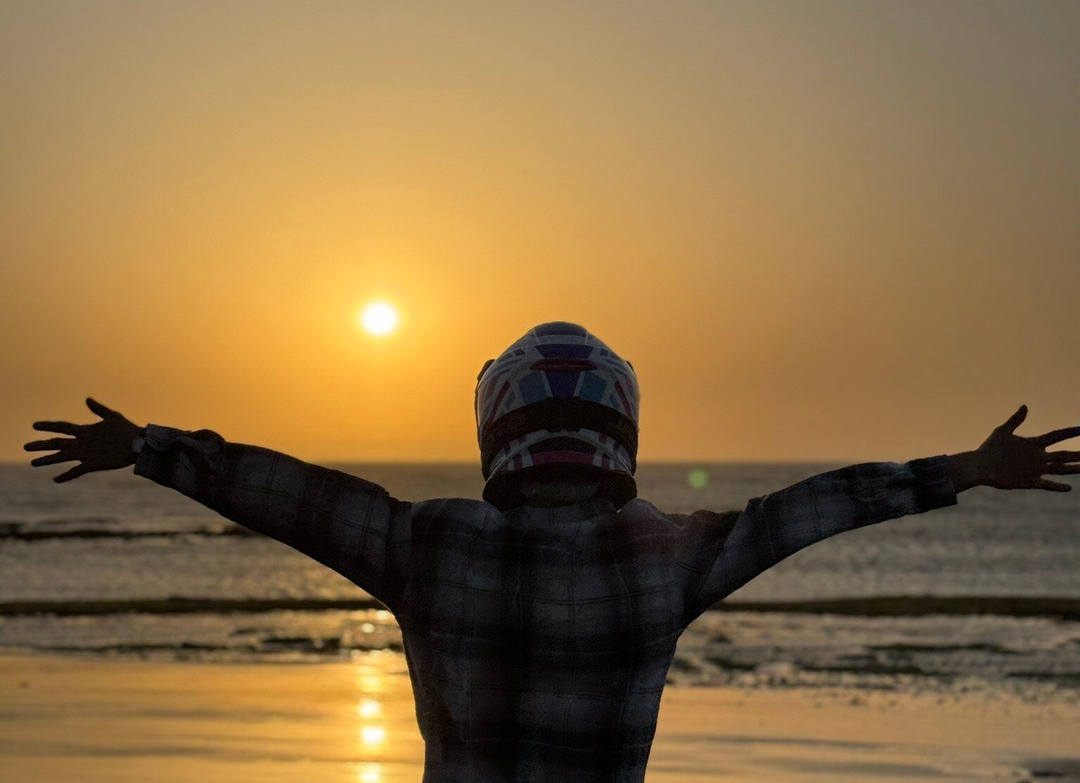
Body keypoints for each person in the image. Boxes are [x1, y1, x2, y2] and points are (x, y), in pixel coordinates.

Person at [24, 321, 1079, 783]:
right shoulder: (663, 555)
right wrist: (961, 470)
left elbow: (294, 496)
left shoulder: (431, 542)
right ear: (623, 431)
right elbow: (808, 510)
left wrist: (152, 449)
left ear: (496, 430)